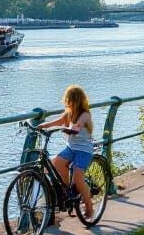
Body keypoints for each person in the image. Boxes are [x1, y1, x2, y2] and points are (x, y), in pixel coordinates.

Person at [38, 85, 100, 222]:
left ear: (76, 100)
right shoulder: (68, 113)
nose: (67, 102)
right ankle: (67, 191)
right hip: (71, 148)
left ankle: (89, 206)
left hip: (84, 150)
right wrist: (43, 126)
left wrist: (73, 129)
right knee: (57, 163)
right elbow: (58, 121)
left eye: (69, 100)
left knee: (78, 177)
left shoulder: (85, 114)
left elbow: (78, 125)